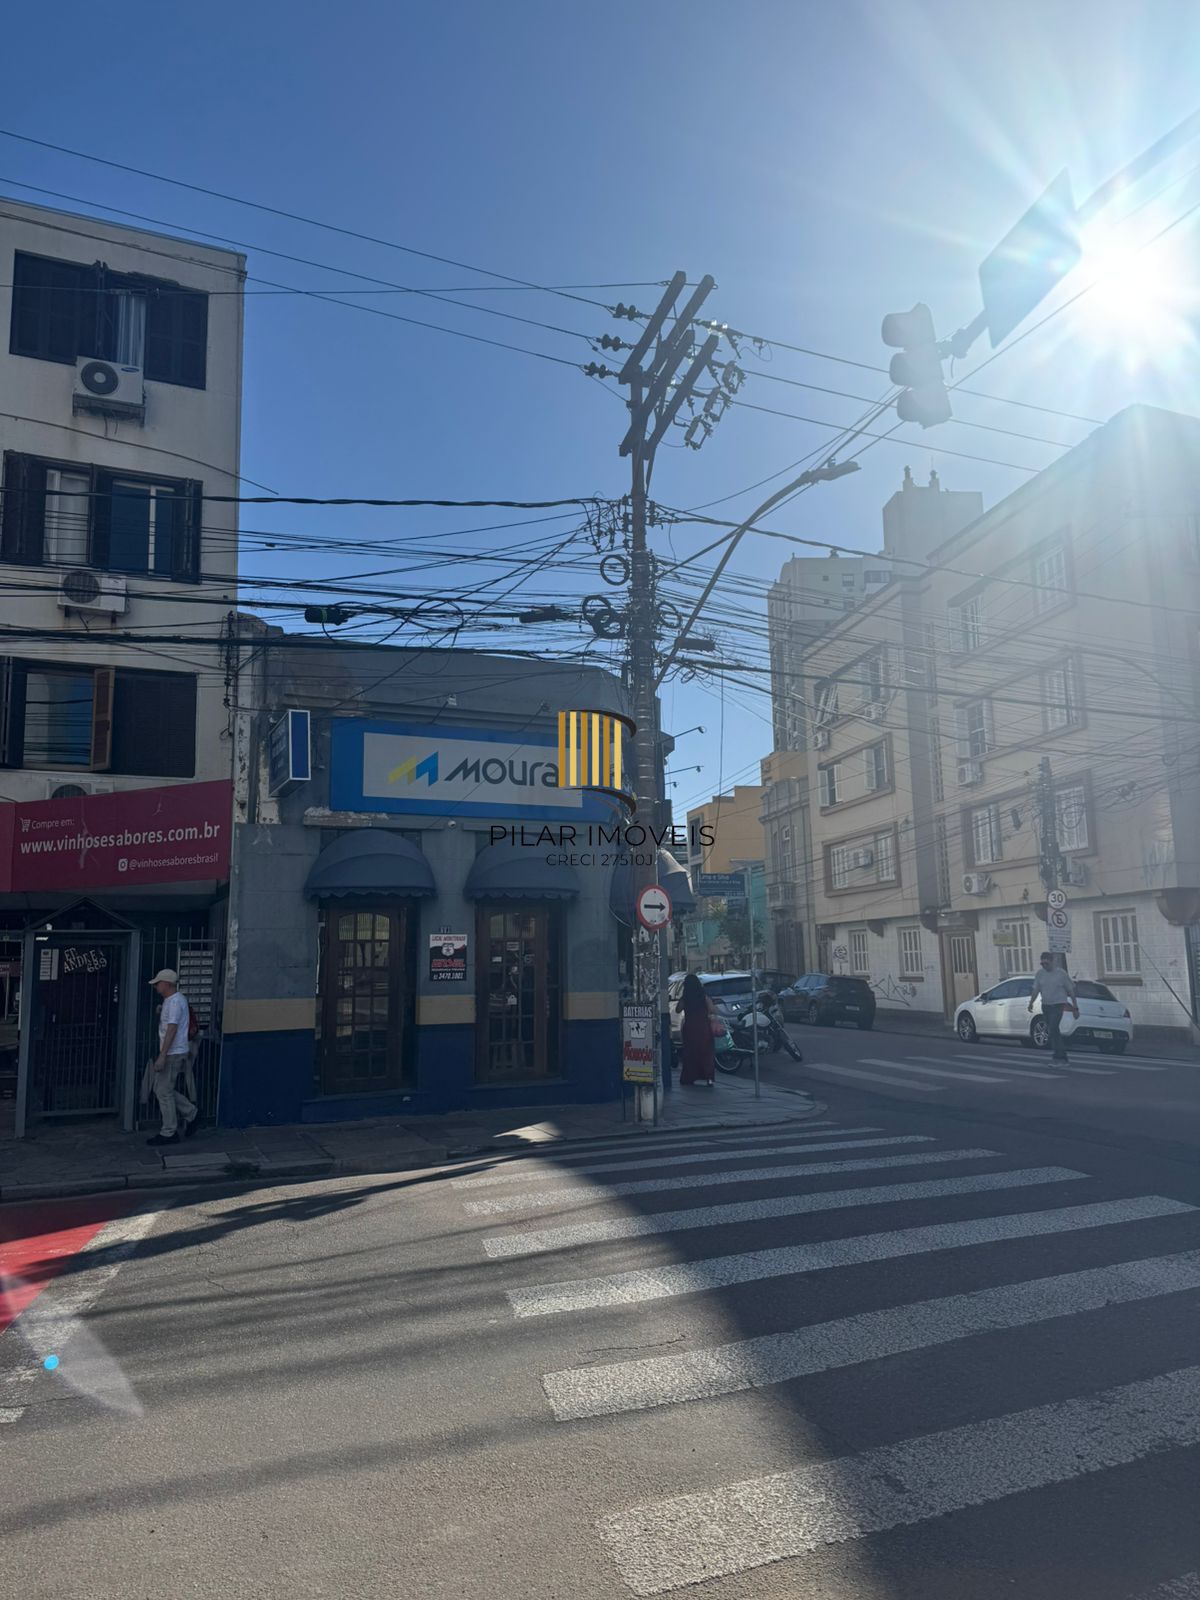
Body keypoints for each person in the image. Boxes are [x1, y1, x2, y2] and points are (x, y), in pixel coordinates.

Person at [145, 968, 198, 1146]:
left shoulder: (174, 1003)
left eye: (158, 983)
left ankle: (169, 1131)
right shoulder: (174, 1000)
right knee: (163, 1089)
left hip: (172, 1053)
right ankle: (191, 1113)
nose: (156, 987)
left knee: (162, 1091)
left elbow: (172, 1029)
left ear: (166, 984)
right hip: (175, 1051)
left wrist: (162, 1056)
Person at [1028, 952, 1078, 1063]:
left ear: (1052, 962)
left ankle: (1059, 1056)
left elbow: (1071, 991)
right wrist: (1031, 1002)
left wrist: (1075, 1008)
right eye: (1042, 964)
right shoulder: (1040, 974)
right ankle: (1061, 1055)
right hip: (1046, 1005)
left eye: (1046, 963)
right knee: (1052, 1030)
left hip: (1058, 1004)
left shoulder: (1061, 974)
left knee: (1054, 1028)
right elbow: (1036, 989)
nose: (1044, 966)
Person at [677, 972, 717, 1087]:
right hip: (703, 1027)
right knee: (706, 1053)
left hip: (690, 1028)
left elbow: (677, 1010)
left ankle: (690, 1077)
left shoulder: (685, 998)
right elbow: (713, 1010)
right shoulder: (703, 997)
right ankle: (709, 1077)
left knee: (690, 1053)